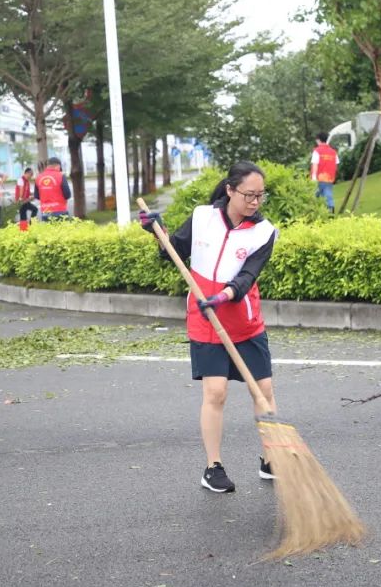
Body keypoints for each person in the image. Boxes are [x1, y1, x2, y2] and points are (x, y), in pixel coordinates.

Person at [139, 161, 278, 494]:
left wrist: (223, 296)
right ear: (230, 190)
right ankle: (213, 467)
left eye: (260, 195)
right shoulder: (202, 217)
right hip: (205, 318)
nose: (255, 202)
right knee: (216, 392)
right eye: (249, 195)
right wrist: (156, 232)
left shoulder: (264, 232)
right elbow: (174, 251)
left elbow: (247, 277)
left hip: (242, 318)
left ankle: (271, 459)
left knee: (263, 391)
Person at [310, 132, 339, 212]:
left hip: (319, 177)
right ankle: (330, 211)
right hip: (330, 178)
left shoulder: (317, 151)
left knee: (315, 196)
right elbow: (336, 164)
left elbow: (315, 164)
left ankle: (320, 212)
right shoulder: (333, 152)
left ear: (318, 140)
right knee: (327, 194)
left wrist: (313, 177)